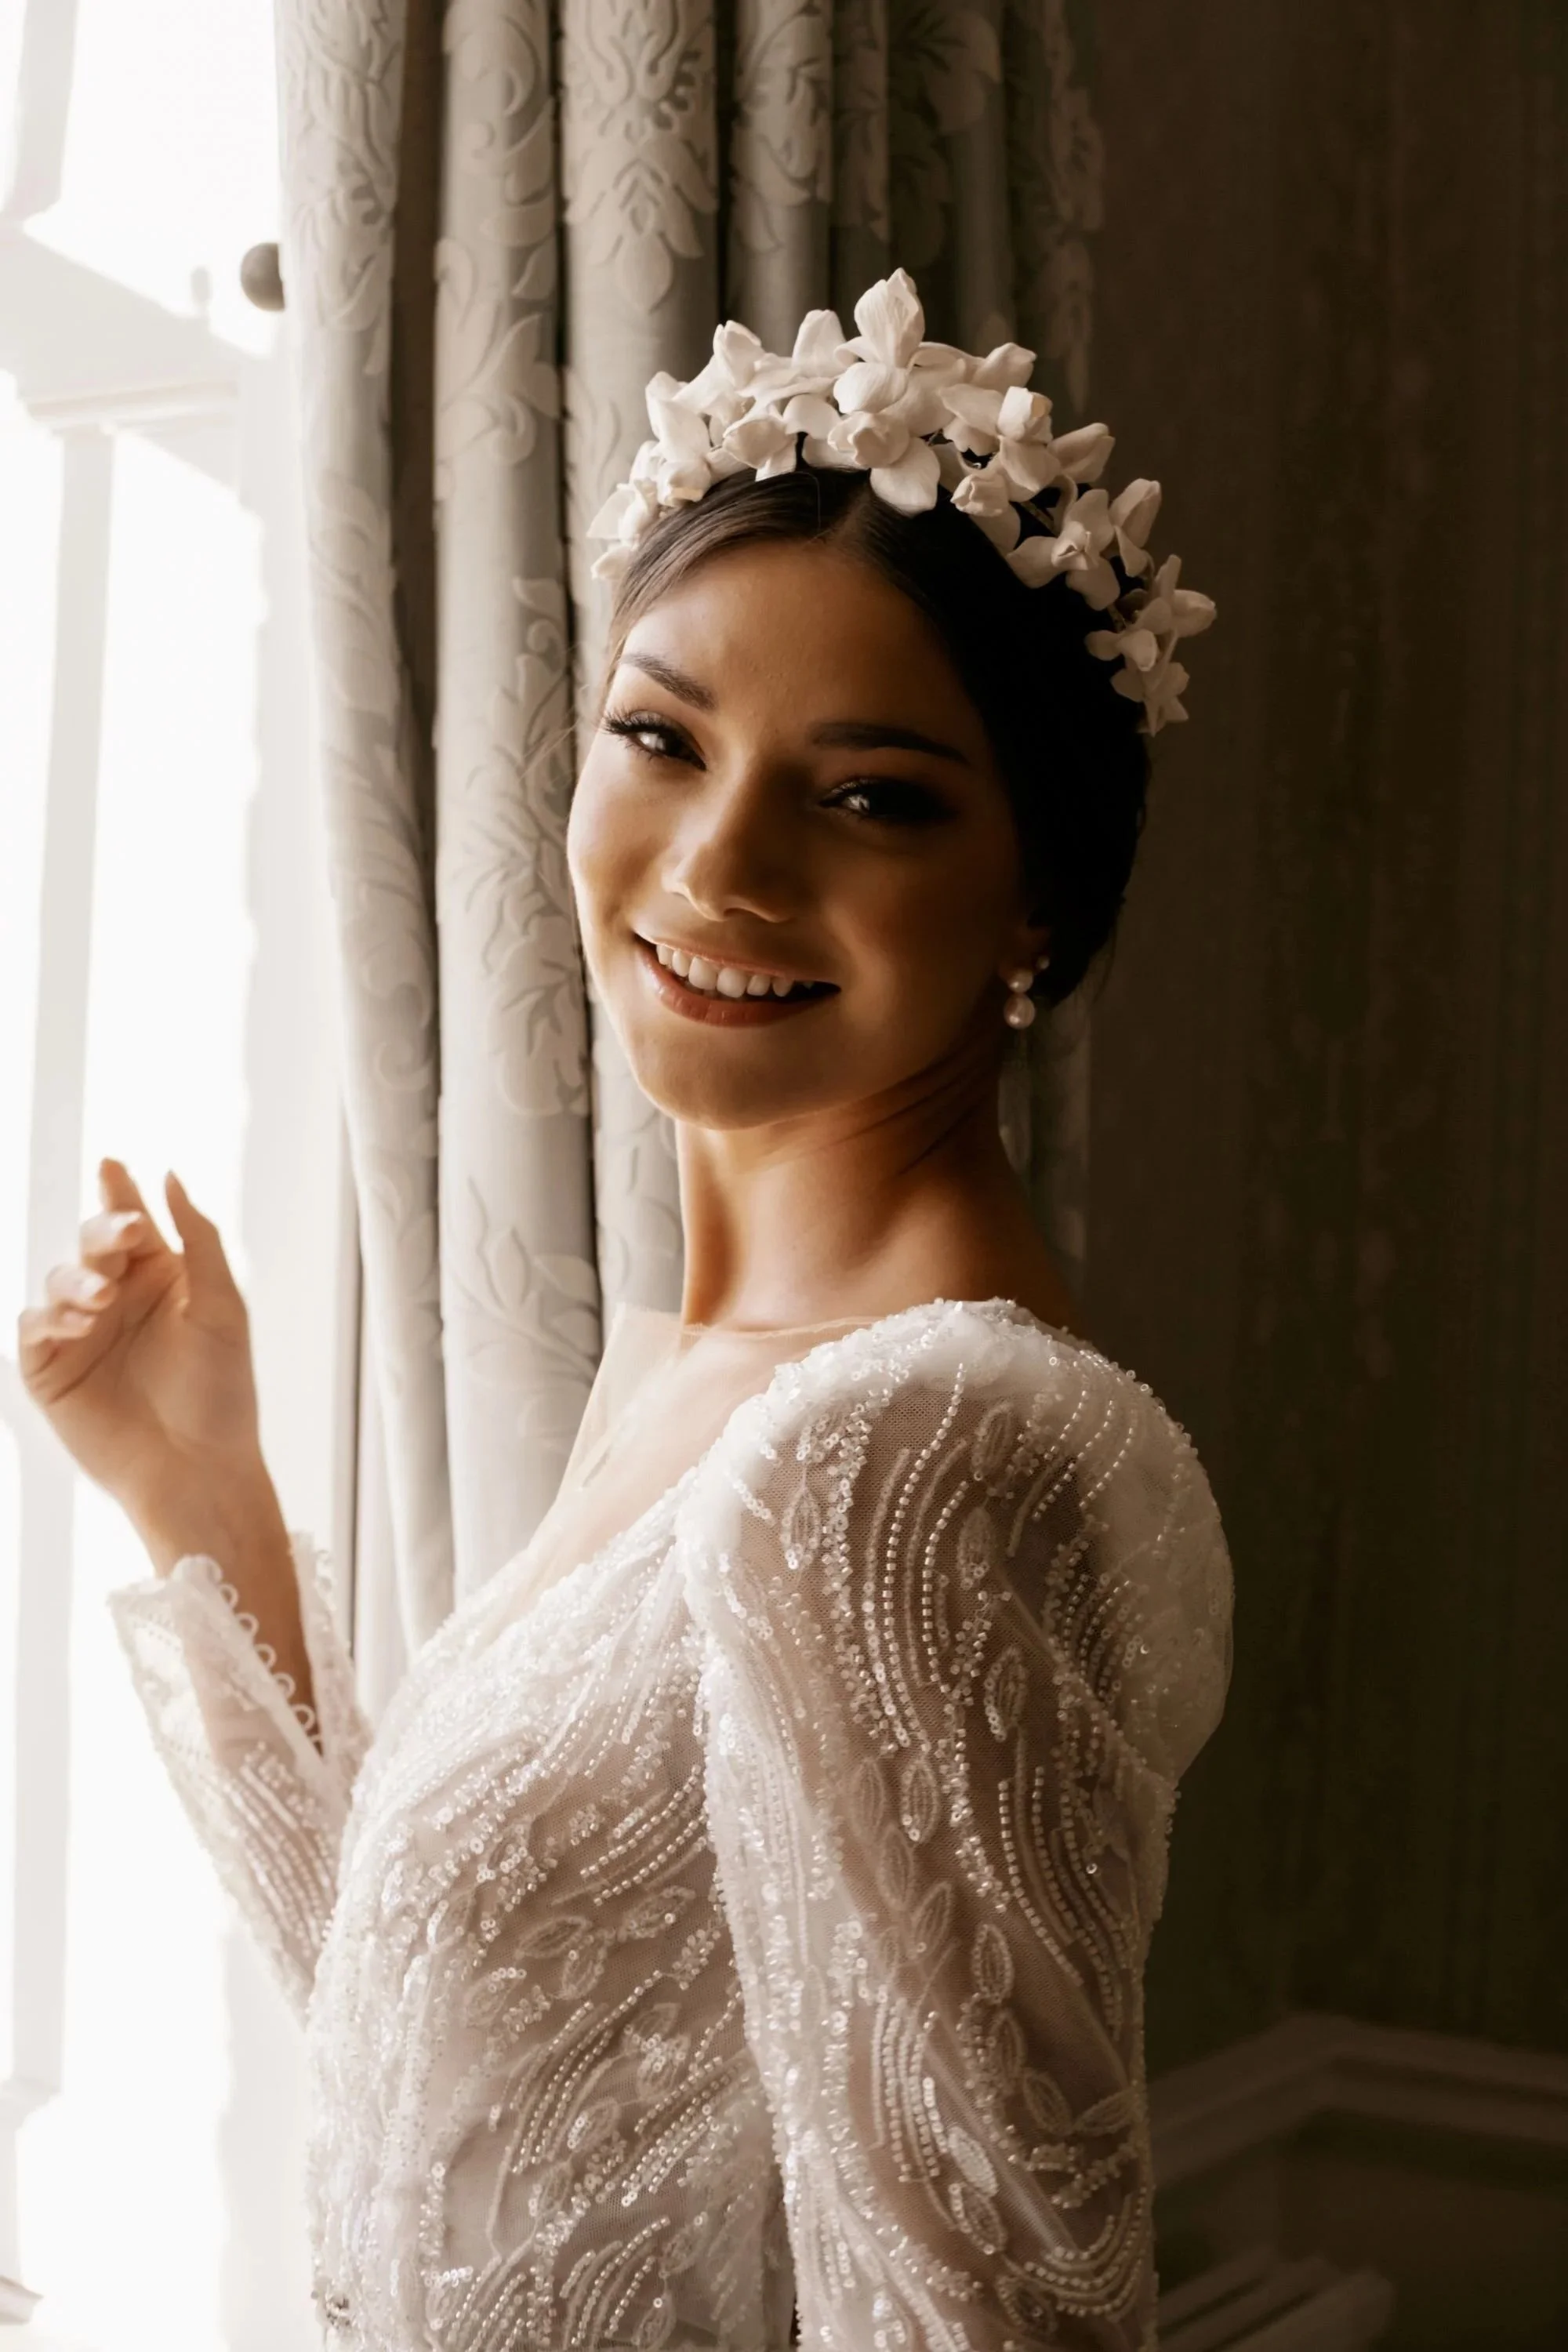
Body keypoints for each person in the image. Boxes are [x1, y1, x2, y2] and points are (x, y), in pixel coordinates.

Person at [19, 271, 1232, 2350]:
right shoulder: (728, 1381)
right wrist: (197, 1495)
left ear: (1038, 897)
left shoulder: (906, 1455)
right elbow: (463, 2092)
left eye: (872, 795)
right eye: (662, 739)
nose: (718, 864)